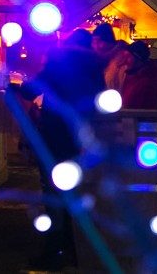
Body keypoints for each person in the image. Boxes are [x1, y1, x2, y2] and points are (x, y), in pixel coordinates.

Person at [11, 28, 106, 270]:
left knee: (54, 194)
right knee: (77, 194)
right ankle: (77, 250)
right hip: (82, 139)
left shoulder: (59, 62)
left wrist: (11, 85)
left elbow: (32, 89)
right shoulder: (95, 67)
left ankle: (54, 251)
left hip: (56, 137)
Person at [120, 41, 157, 109]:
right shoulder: (133, 77)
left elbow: (140, 109)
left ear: (137, 58)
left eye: (128, 57)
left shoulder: (147, 82)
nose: (125, 60)